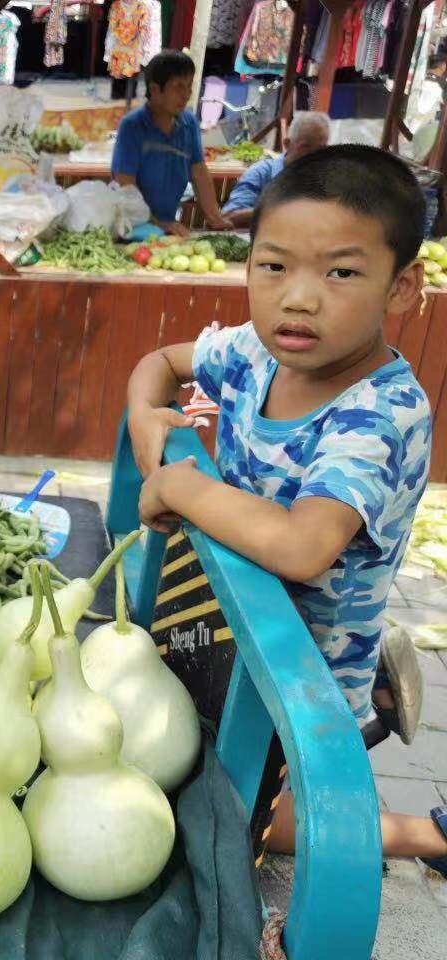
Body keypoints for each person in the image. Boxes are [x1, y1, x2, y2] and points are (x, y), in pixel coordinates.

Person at [125, 144, 447, 876]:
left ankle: (430, 834)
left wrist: (179, 486)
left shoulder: (380, 415)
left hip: (306, 663)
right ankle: (382, 707)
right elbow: (162, 364)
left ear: (402, 289)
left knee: (237, 825)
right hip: (243, 619)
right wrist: (148, 414)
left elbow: (304, 549)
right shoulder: (255, 353)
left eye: (340, 272)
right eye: (273, 266)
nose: (299, 297)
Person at [112, 51, 233, 236]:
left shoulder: (189, 123)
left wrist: (215, 218)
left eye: (189, 86)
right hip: (131, 227)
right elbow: (125, 184)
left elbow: (199, 172)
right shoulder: (132, 126)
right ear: (154, 90)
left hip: (167, 225)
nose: (186, 95)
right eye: (178, 87)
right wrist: (158, 224)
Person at [221, 112, 330, 228]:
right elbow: (230, 216)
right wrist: (285, 211)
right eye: (306, 146)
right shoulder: (261, 173)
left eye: (321, 149)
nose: (314, 155)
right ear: (287, 144)